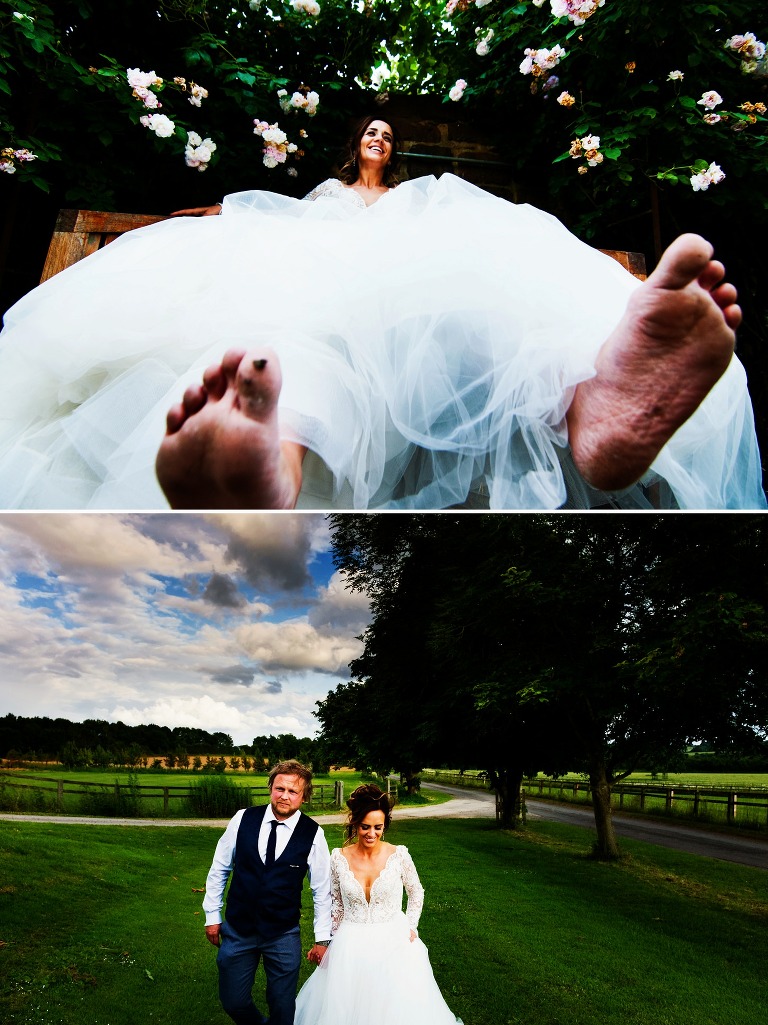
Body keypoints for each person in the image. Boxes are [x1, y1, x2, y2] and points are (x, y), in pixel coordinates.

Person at [0, 114, 764, 509]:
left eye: (388, 137)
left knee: (458, 305)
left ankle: (589, 403)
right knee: (304, 335)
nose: (379, 141)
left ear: (394, 154)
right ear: (354, 145)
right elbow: (281, 228)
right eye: (371, 132)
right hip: (331, 290)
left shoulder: (417, 209)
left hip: (406, 303)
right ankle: (272, 466)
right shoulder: (327, 203)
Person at [293, 783, 462, 1025]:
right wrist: (330, 942)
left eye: (378, 827)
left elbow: (416, 892)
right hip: (351, 943)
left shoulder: (399, 855)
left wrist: (411, 927)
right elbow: (337, 905)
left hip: (394, 941)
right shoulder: (338, 858)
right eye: (365, 827)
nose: (371, 833)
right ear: (355, 823)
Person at [202, 760, 332, 1025]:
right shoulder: (242, 819)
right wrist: (212, 916)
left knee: (283, 1007)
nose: (284, 796)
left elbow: (322, 890)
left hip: (282, 934)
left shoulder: (313, 834)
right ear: (271, 788)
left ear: (303, 796)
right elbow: (220, 869)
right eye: (279, 788)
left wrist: (322, 939)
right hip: (238, 930)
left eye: (293, 791)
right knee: (233, 1001)